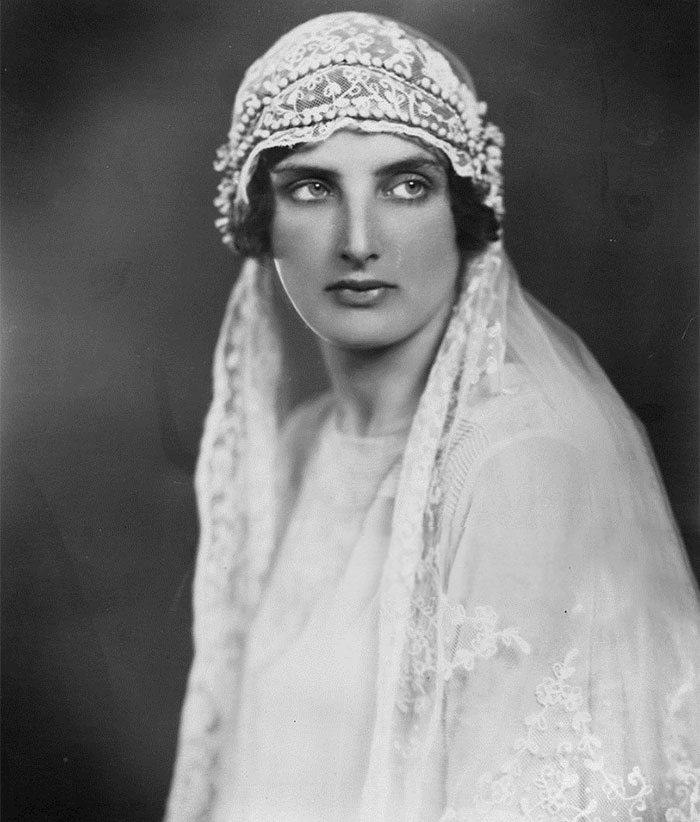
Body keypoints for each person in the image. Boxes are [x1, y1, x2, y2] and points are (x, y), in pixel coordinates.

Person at [165, 12, 700, 822]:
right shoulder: (302, 443)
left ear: (463, 211)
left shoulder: (519, 460)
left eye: (405, 184)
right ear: (260, 220)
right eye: (311, 186)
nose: (358, 241)